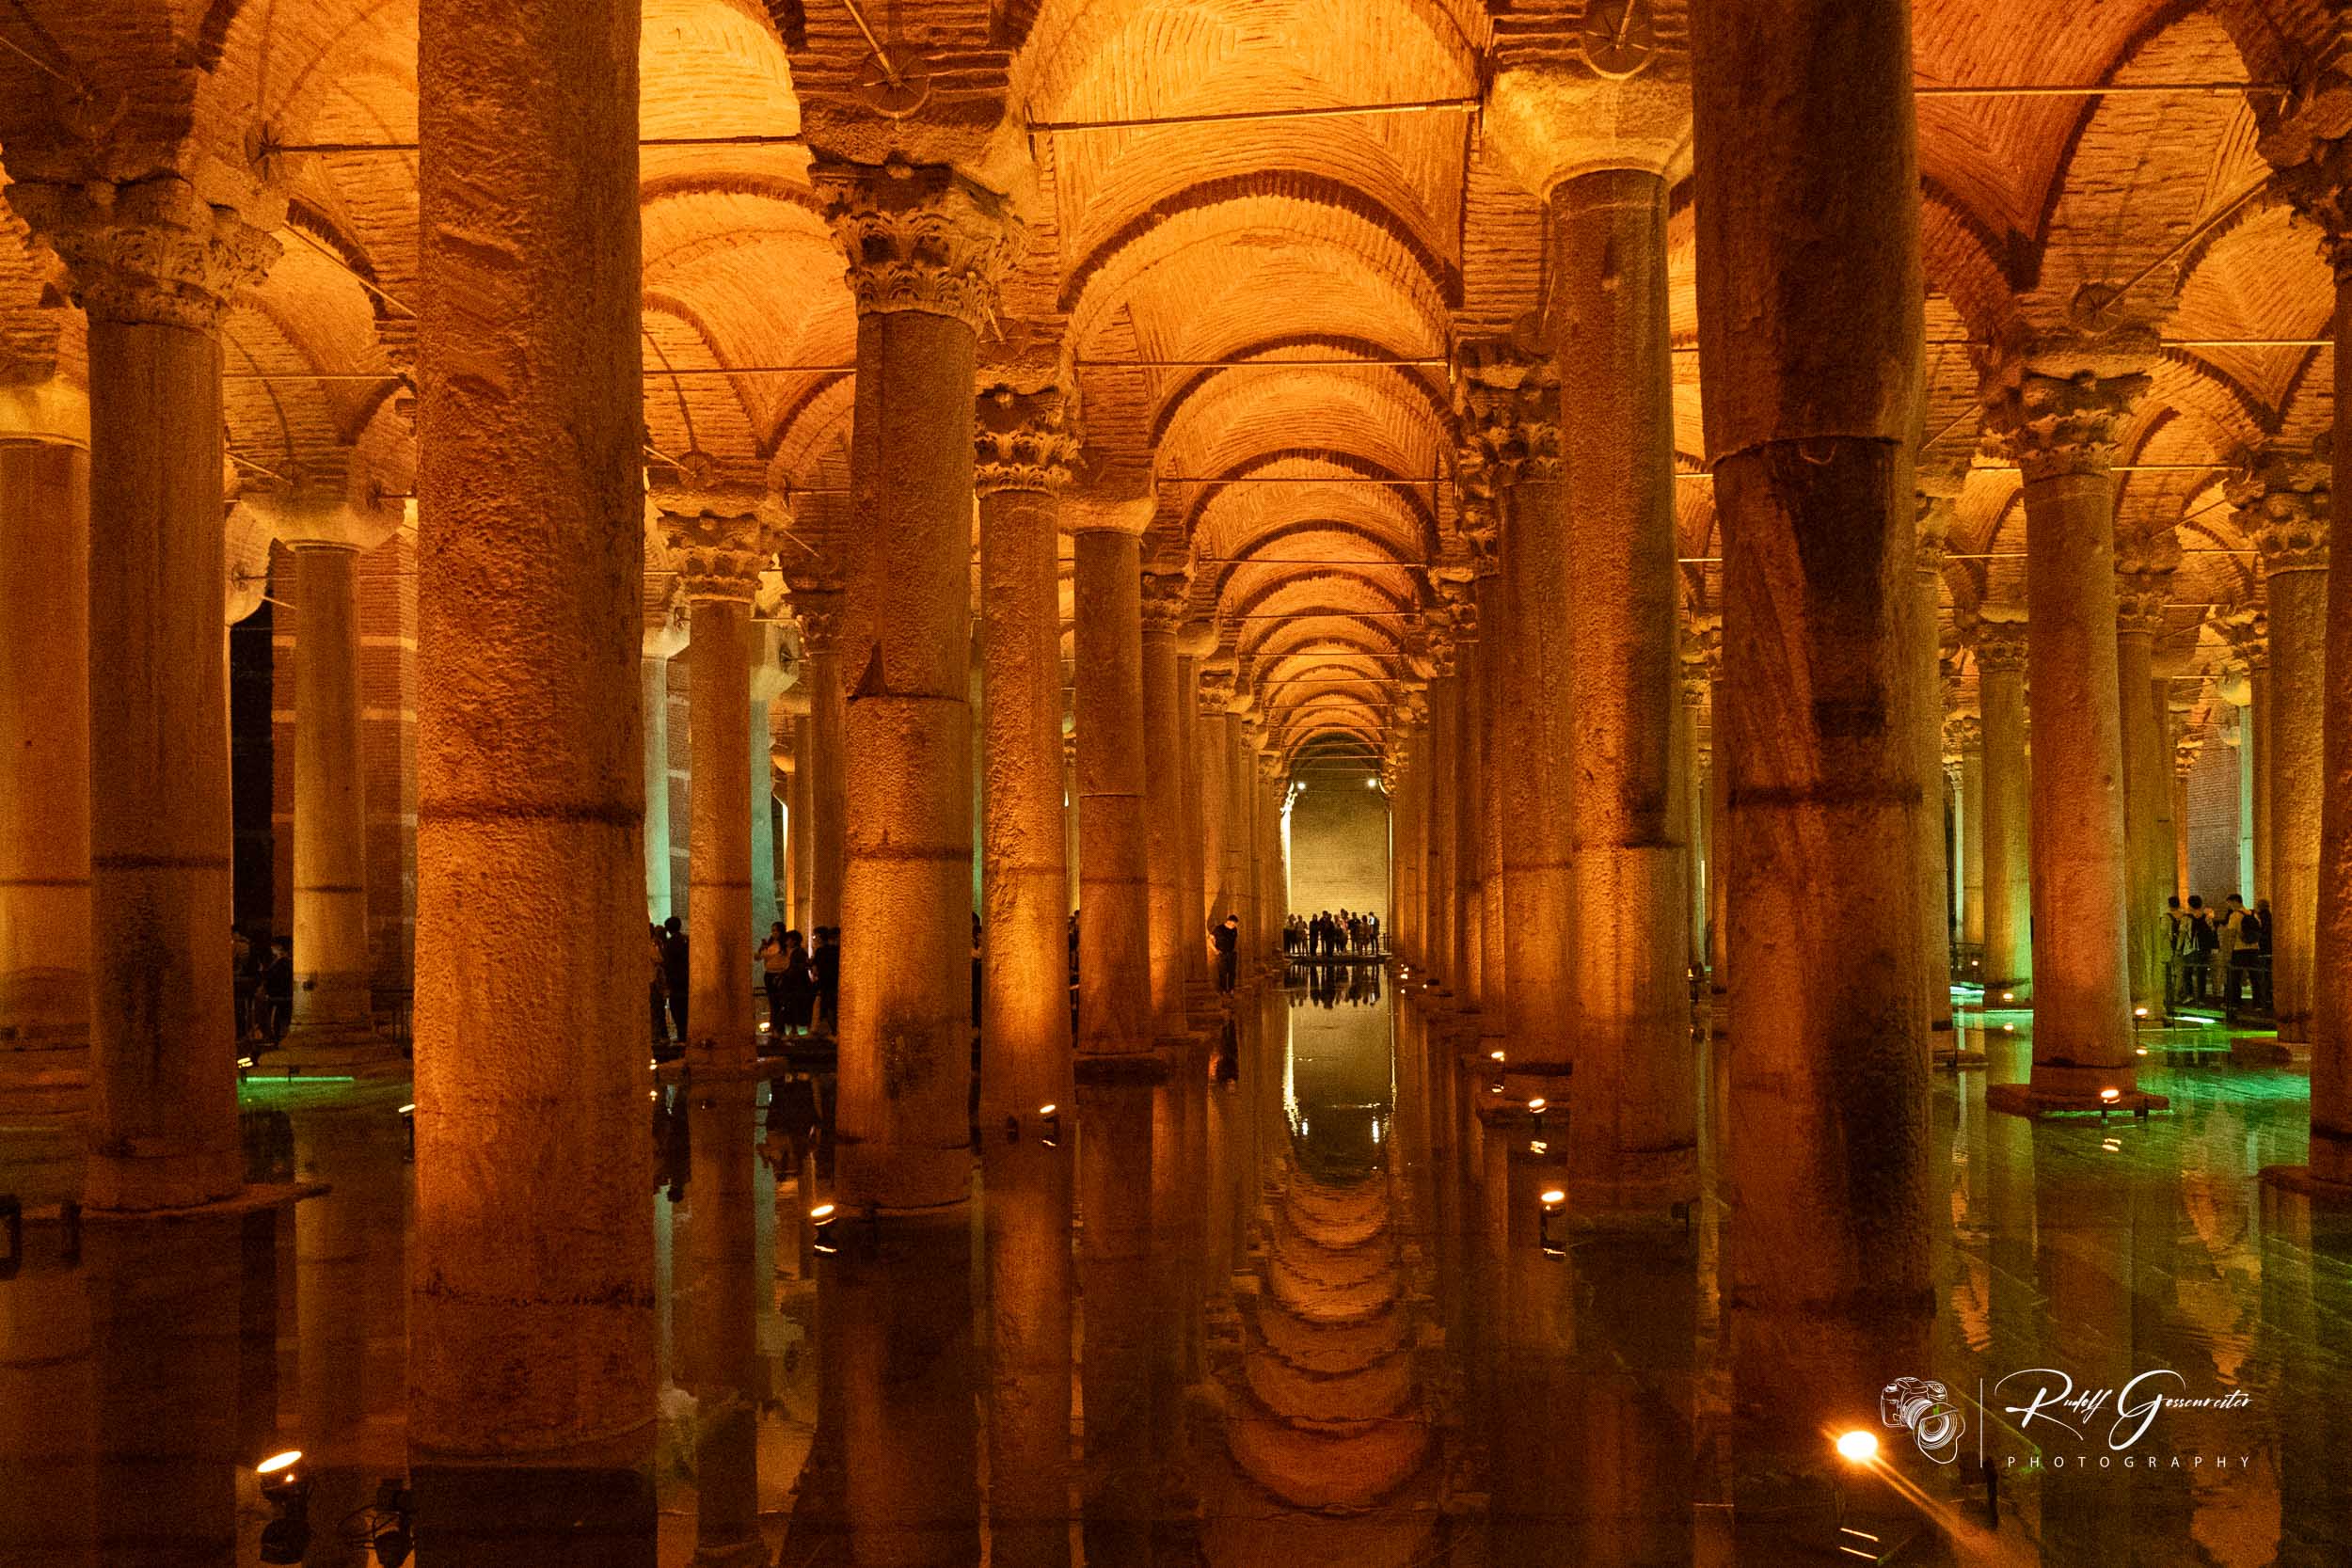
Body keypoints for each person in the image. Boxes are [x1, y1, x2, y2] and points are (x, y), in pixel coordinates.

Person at [758, 922, 793, 1033]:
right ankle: (775, 1027)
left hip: (780, 974)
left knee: (779, 1001)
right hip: (769, 974)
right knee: (772, 1001)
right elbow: (759, 956)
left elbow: (773, 955)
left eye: (776, 930)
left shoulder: (784, 945)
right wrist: (763, 948)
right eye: (773, 930)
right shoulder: (770, 944)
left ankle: (779, 1028)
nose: (774, 933)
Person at [662, 915, 691, 1043]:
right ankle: (686, 1036)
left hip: (675, 983)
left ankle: (682, 1037)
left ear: (668, 929)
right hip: (686, 981)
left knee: (678, 1013)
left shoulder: (669, 944)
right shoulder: (686, 941)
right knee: (686, 1012)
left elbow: (667, 964)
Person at [2184, 895, 2217, 1001]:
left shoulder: (2186, 918)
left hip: (2190, 949)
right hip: (2204, 948)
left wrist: (2178, 949)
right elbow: (2212, 931)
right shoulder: (2207, 917)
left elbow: (2182, 934)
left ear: (2189, 905)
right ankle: (2201, 998)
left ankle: (2190, 995)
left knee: (2187, 972)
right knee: (2201, 973)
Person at [262, 938, 294, 1044]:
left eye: (273, 946)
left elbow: (276, 978)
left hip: (278, 995)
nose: (271, 948)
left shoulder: (282, 963)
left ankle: (276, 1037)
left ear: (279, 947)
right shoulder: (285, 962)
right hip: (281, 994)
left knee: (277, 1018)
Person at [810, 926, 840, 1035]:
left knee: (826, 1006)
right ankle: (834, 1031)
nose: (814, 939)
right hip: (835, 981)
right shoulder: (837, 950)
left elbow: (815, 970)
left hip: (825, 982)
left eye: (815, 936)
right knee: (832, 1007)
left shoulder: (821, 951)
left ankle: (829, 1031)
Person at [650, 924, 672, 1044]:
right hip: (654, 980)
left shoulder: (654, 945)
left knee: (656, 1009)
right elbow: (659, 959)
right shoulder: (656, 945)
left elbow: (658, 959)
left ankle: (658, 1035)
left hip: (653, 981)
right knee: (658, 1009)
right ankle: (660, 1034)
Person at [1213, 913, 1239, 993]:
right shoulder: (1218, 929)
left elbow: (1235, 939)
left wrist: (1235, 949)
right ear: (1229, 922)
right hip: (1221, 954)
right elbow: (1209, 939)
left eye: (1235, 925)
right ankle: (1223, 990)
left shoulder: (1234, 929)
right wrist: (1215, 950)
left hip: (1231, 953)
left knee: (1232, 972)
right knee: (1222, 972)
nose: (1234, 926)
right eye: (1233, 924)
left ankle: (1231, 989)